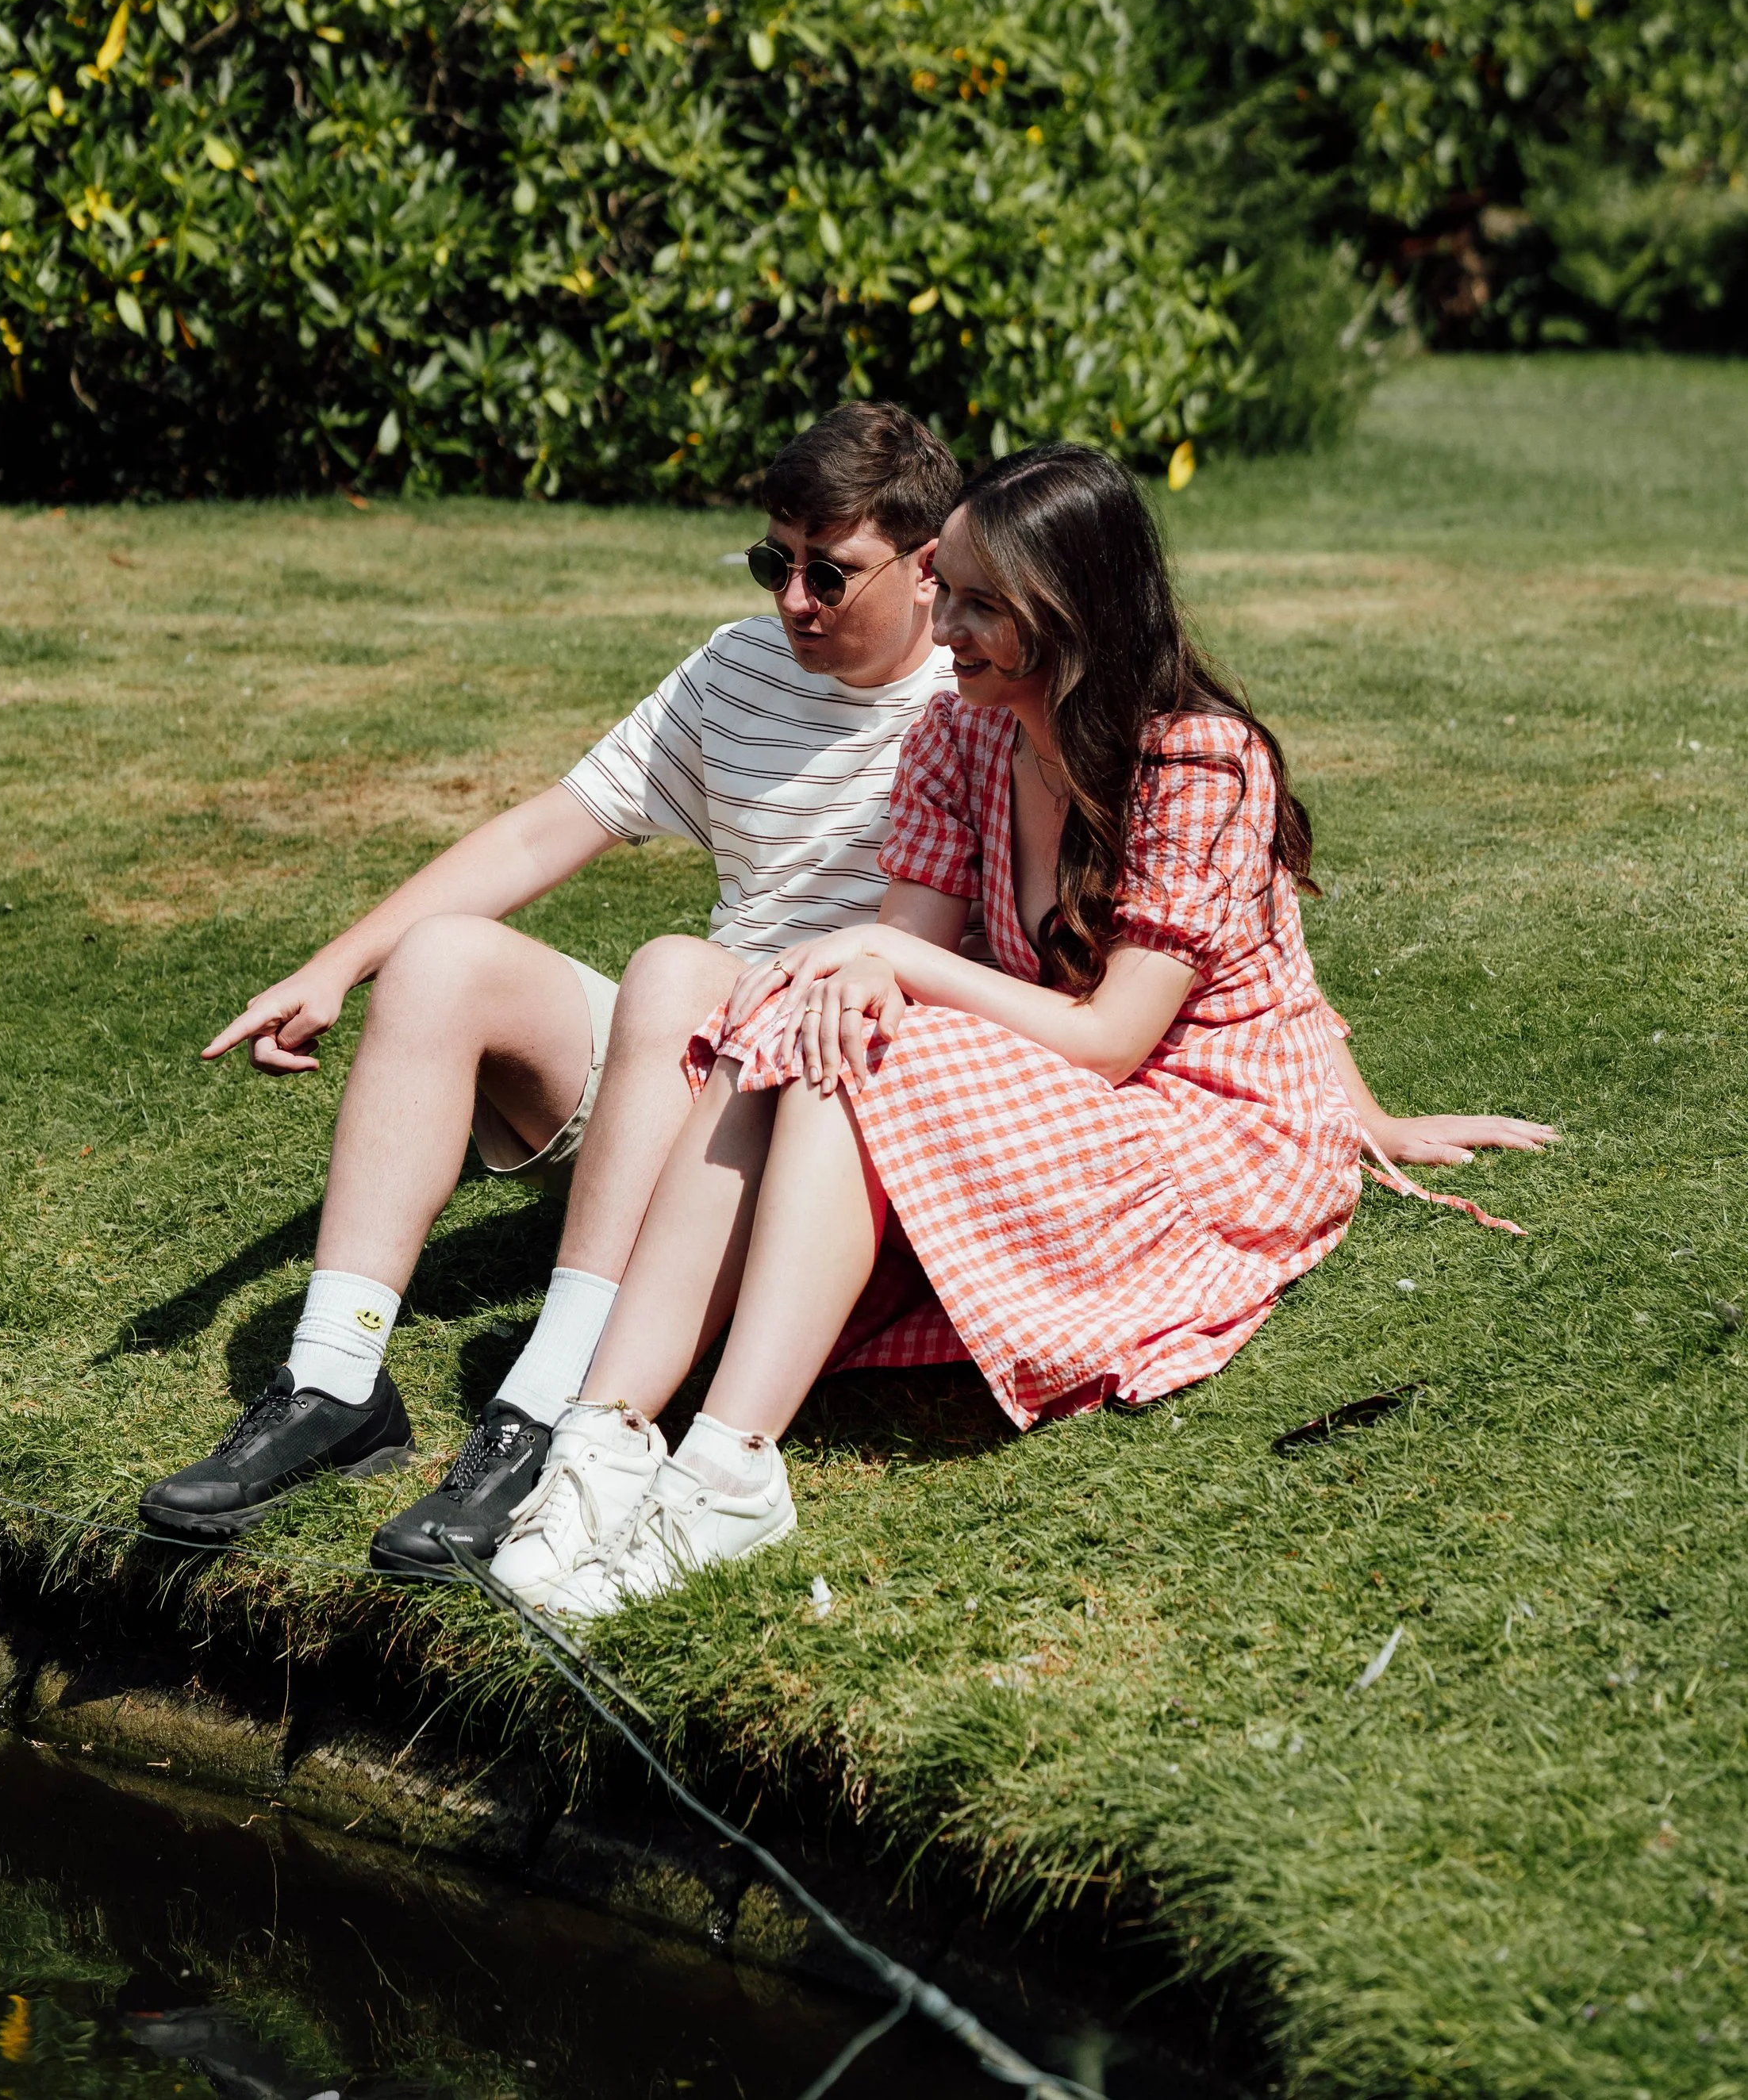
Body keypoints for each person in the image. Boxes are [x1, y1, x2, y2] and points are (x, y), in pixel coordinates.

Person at [489, 443, 1554, 1616]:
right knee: (806, 1013)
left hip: (1200, 1118)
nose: (946, 625)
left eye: (987, 604)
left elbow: (1112, 1039)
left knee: (863, 1041)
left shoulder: (1198, 762)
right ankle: (605, 1440)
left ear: (1075, 612)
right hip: (1073, 1078)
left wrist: (892, 963)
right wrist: (863, 973)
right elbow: (905, 943)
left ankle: (730, 1466)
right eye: (953, 590)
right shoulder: (963, 734)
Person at [136, 403, 964, 1557]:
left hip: (813, 1116)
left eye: (832, 575)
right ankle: (335, 1384)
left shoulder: (977, 709)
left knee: (678, 972)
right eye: (774, 563)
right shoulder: (737, 667)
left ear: (929, 568)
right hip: (680, 1065)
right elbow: (547, 832)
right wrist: (337, 964)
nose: (792, 602)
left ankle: (551, 1414)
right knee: (441, 959)